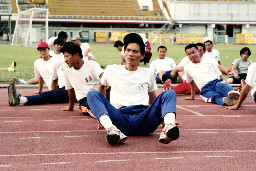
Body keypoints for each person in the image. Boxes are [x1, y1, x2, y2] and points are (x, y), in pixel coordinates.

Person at [87, 33, 180, 146]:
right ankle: (111, 130)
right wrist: (101, 115)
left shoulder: (148, 73)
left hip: (144, 119)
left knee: (169, 93)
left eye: (135, 52)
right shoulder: (111, 70)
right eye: (128, 50)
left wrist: (164, 118)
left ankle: (169, 126)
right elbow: (101, 87)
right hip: (119, 118)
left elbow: (153, 100)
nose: (130, 54)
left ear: (142, 56)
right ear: (124, 52)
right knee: (92, 94)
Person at [60, 42, 104, 117]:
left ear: (76, 55)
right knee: (96, 109)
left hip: (99, 95)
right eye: (64, 57)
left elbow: (103, 76)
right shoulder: (67, 72)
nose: (65, 60)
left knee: (117, 102)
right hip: (85, 100)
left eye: (67, 56)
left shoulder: (91, 64)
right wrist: (70, 107)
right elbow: (71, 91)